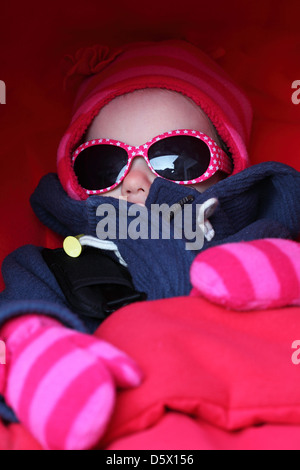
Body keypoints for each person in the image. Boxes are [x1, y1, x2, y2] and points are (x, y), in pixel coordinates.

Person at [0, 39, 300, 450]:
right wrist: (36, 344)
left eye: (177, 159)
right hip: (117, 424)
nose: (136, 181)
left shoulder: (265, 235)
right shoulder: (50, 267)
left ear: (228, 172)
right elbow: (16, 322)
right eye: (104, 163)